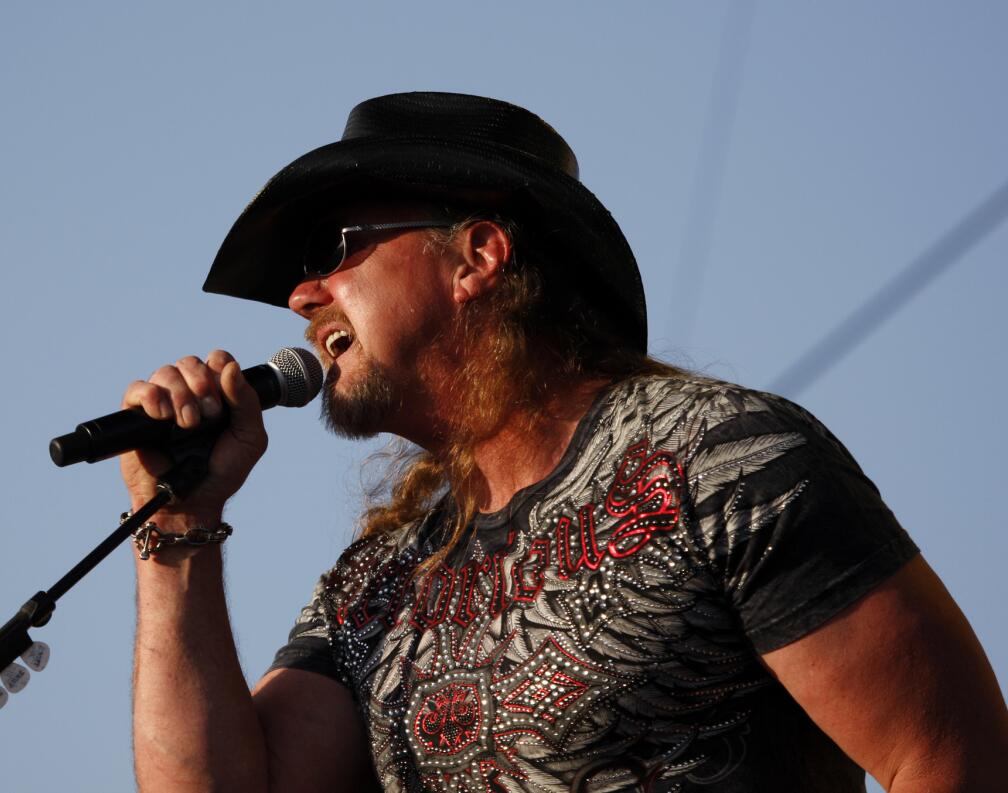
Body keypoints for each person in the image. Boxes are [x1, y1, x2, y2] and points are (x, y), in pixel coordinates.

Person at [121, 93, 1007, 792]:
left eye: (335, 246)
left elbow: (955, 759)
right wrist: (175, 531)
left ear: (477, 257)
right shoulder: (377, 587)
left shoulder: (720, 460)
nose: (302, 295)